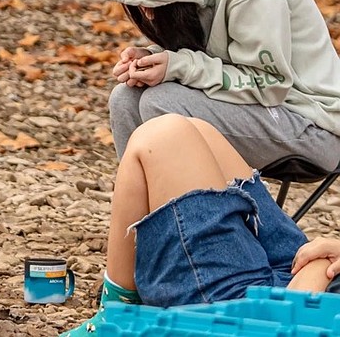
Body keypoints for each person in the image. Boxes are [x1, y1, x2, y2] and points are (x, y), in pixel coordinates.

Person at [93, 0, 340, 170]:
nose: (145, 12)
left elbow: (270, 85)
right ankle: (146, 208)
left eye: (147, 0)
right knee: (125, 99)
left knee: (162, 102)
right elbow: (218, 57)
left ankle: (199, 209)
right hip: (252, 108)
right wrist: (153, 57)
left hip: (312, 124)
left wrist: (178, 66)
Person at [62, 114, 340, 336]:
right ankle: (118, 311)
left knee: (162, 136)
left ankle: (116, 316)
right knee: (199, 130)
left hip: (293, 310)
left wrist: (319, 270)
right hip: (313, 270)